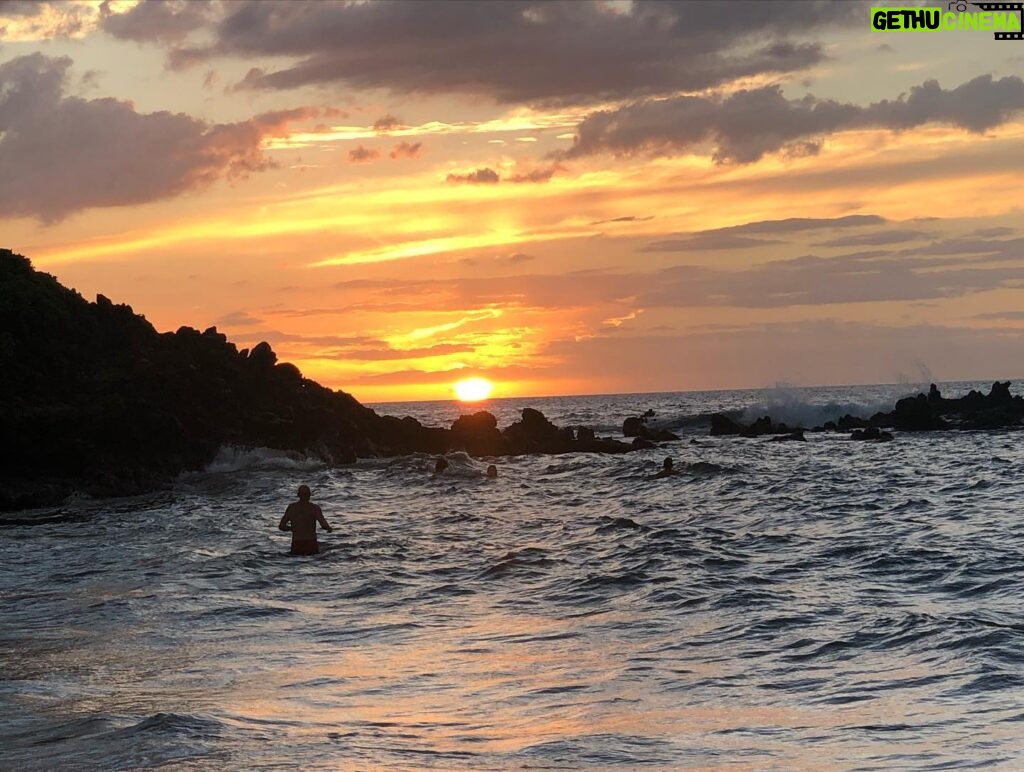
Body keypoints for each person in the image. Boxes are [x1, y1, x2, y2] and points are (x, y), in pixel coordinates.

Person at [279, 484, 332, 555]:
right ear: (309, 495)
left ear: (298, 495)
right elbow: (323, 524)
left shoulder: (292, 508)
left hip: (297, 543)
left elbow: (281, 526)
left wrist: (293, 529)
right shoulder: (314, 508)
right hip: (311, 543)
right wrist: (329, 529)